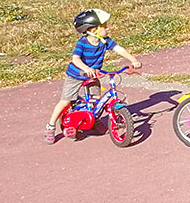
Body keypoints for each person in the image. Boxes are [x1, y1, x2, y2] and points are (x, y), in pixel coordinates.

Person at [45, 9, 142, 144]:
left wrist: (133, 60)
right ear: (93, 29)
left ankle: (93, 120)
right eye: (105, 27)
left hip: (93, 75)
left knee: (95, 100)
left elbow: (119, 49)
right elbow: (76, 59)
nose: (108, 29)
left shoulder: (105, 41)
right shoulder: (83, 43)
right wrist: (86, 68)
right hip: (76, 75)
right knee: (66, 100)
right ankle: (50, 126)